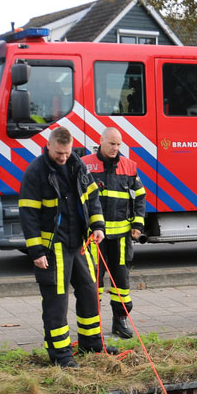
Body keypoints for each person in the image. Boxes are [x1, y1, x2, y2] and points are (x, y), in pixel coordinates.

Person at [19, 126, 106, 367]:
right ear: (48, 146)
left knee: (90, 291)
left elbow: (92, 198)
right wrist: (36, 251)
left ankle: (92, 343)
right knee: (57, 301)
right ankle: (60, 354)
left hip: (79, 243)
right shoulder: (36, 171)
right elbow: (28, 214)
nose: (63, 157)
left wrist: (97, 226)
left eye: (66, 152)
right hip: (52, 246)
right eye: (59, 153)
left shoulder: (77, 165)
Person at [81, 127, 146, 340]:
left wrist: (138, 224)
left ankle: (120, 321)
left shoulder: (129, 167)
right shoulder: (87, 164)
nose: (115, 148)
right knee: (94, 283)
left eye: (118, 144)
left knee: (121, 283)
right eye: (112, 144)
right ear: (101, 142)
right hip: (94, 239)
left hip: (121, 239)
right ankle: (93, 326)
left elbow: (139, 197)